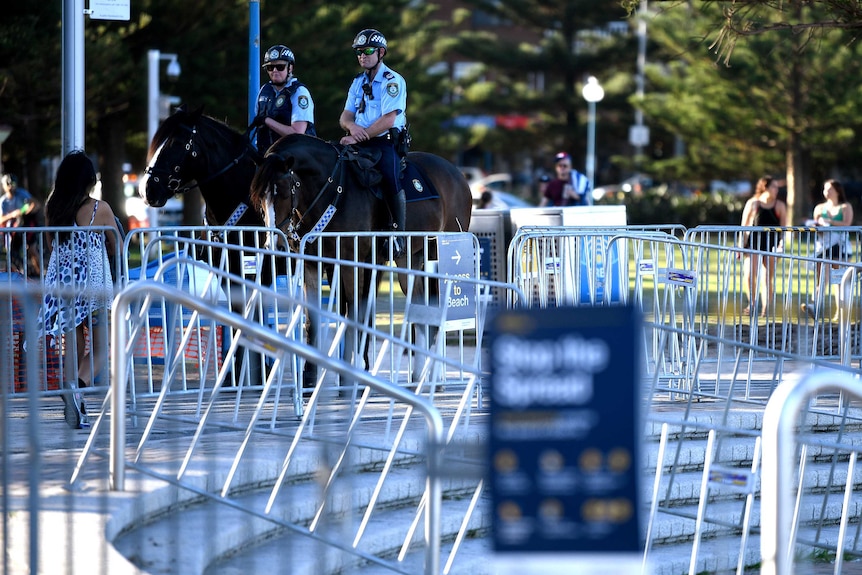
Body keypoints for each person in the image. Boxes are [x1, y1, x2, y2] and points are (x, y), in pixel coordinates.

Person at [40, 151, 122, 429]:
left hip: (64, 286)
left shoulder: (53, 208)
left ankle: (75, 398)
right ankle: (78, 388)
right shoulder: (101, 209)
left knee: (72, 349)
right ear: (89, 180)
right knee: (101, 348)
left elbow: (52, 245)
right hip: (96, 286)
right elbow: (118, 247)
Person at [339, 28, 408, 257]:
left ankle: (398, 234)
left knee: (390, 177)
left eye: (367, 51)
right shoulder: (357, 82)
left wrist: (362, 134)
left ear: (381, 52)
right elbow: (345, 116)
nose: (362, 56)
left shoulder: (392, 81)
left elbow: (389, 119)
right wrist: (353, 127)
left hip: (384, 142)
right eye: (358, 52)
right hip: (360, 140)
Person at [801, 179, 855, 319]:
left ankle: (841, 311)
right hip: (823, 246)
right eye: (825, 189)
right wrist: (815, 226)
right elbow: (816, 227)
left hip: (840, 246)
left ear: (837, 190)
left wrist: (830, 222)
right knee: (821, 280)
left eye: (829, 189)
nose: (826, 192)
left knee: (838, 280)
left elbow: (847, 224)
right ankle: (816, 307)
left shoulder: (845, 207)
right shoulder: (819, 208)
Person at [737, 176, 788, 317]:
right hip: (753, 244)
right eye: (774, 187)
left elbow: (784, 229)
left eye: (777, 187)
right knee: (749, 275)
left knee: (767, 278)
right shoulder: (753, 203)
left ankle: (766, 308)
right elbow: (744, 225)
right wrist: (740, 245)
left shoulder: (779, 206)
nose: (776, 190)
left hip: (771, 244)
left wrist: (781, 246)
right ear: (765, 187)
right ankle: (752, 303)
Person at [253, 44, 316, 153]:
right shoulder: (264, 91)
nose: (274, 71)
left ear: (290, 68)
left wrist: (267, 121)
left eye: (280, 67)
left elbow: (297, 133)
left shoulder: (299, 92)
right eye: (270, 67)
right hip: (267, 157)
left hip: (296, 157)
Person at [1, 173, 42, 274]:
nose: (11, 186)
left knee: (32, 249)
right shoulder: (3, 201)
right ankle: (15, 276)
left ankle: (41, 276)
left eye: (13, 183)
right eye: (8, 184)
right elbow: (1, 220)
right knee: (11, 254)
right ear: (4, 185)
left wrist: (23, 212)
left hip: (25, 227)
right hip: (11, 232)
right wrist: (12, 215)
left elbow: (35, 204)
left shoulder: (22, 193)